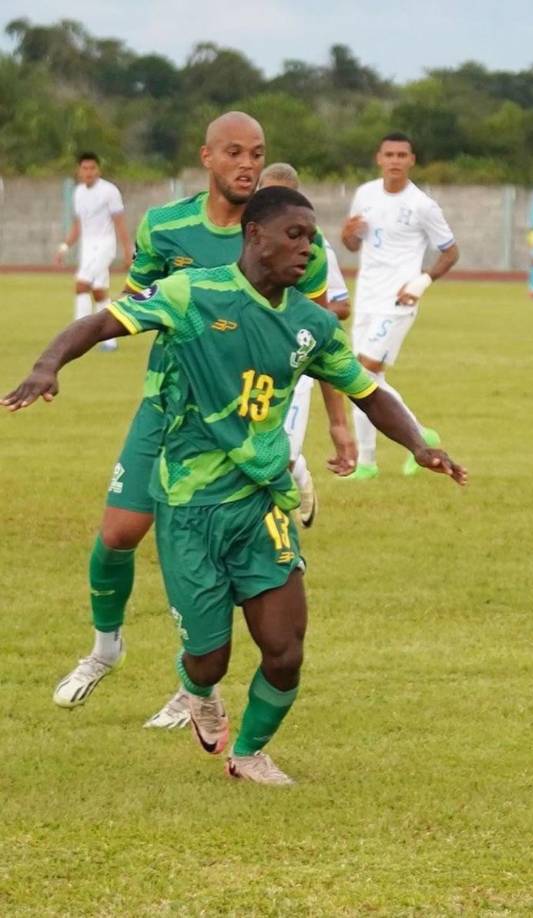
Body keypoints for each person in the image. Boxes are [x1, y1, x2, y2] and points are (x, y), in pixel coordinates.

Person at [3, 186, 467, 784]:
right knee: (209, 657)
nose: (308, 248)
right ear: (254, 236)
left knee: (285, 648)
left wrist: (421, 445)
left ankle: (247, 754)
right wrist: (47, 366)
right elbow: (101, 322)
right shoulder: (193, 293)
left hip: (261, 501)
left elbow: (367, 392)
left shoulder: (311, 323)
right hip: (190, 507)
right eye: (294, 235)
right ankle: (198, 688)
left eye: (312, 236)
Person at [47, 112, 353, 731]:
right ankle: (105, 648)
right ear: (207, 158)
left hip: (241, 424)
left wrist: (339, 425)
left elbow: (318, 341)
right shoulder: (166, 226)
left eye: (258, 153)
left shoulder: (290, 236)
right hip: (166, 408)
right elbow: (132, 306)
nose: (248, 163)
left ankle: (192, 692)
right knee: (116, 535)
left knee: (213, 568)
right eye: (235, 152)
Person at [341, 131, 459, 480]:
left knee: (362, 374)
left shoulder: (422, 204)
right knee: (357, 379)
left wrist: (421, 283)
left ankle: (414, 440)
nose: (394, 160)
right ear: (379, 158)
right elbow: (351, 244)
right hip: (366, 298)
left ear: (411, 161)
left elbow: (451, 251)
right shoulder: (364, 194)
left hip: (398, 300)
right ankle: (367, 463)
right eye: (389, 154)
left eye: (401, 155)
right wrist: (347, 233)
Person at [259, 162, 354, 528]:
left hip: (295, 366)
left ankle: (294, 472)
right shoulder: (243, 237)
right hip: (246, 362)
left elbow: (336, 310)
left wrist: (338, 423)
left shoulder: (314, 248)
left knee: (277, 456)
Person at [53, 152, 134, 350]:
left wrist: (128, 250)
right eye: (84, 168)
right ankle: (109, 340)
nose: (88, 172)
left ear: (98, 170)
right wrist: (64, 247)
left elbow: (119, 222)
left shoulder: (109, 191)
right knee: (99, 292)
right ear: (79, 171)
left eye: (92, 168)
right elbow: (77, 225)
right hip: (87, 248)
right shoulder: (78, 193)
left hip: (105, 245)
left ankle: (76, 337)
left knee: (81, 285)